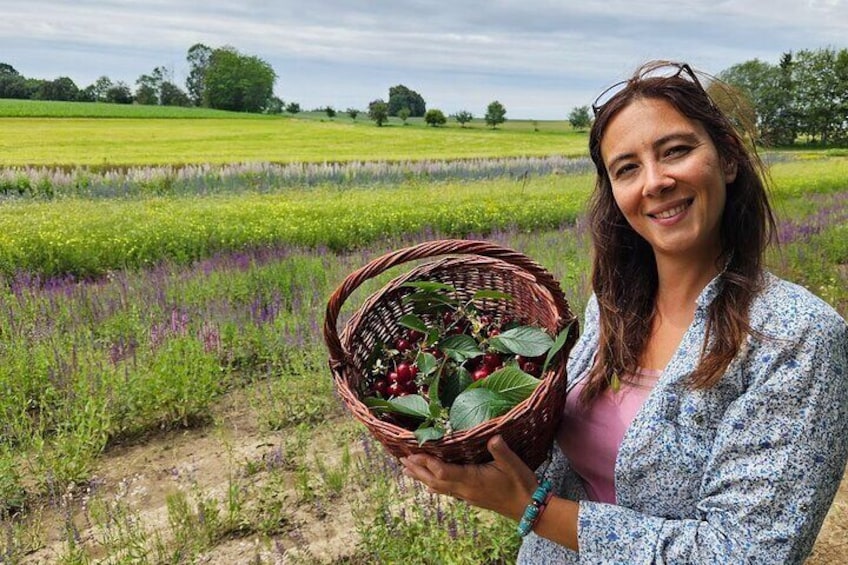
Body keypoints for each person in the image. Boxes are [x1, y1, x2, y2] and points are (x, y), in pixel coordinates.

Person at [400, 60, 848, 563]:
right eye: (627, 168)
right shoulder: (610, 310)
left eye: (675, 150)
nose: (654, 182)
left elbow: (746, 552)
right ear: (615, 193)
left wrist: (532, 509)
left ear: (726, 160)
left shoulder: (795, 338)